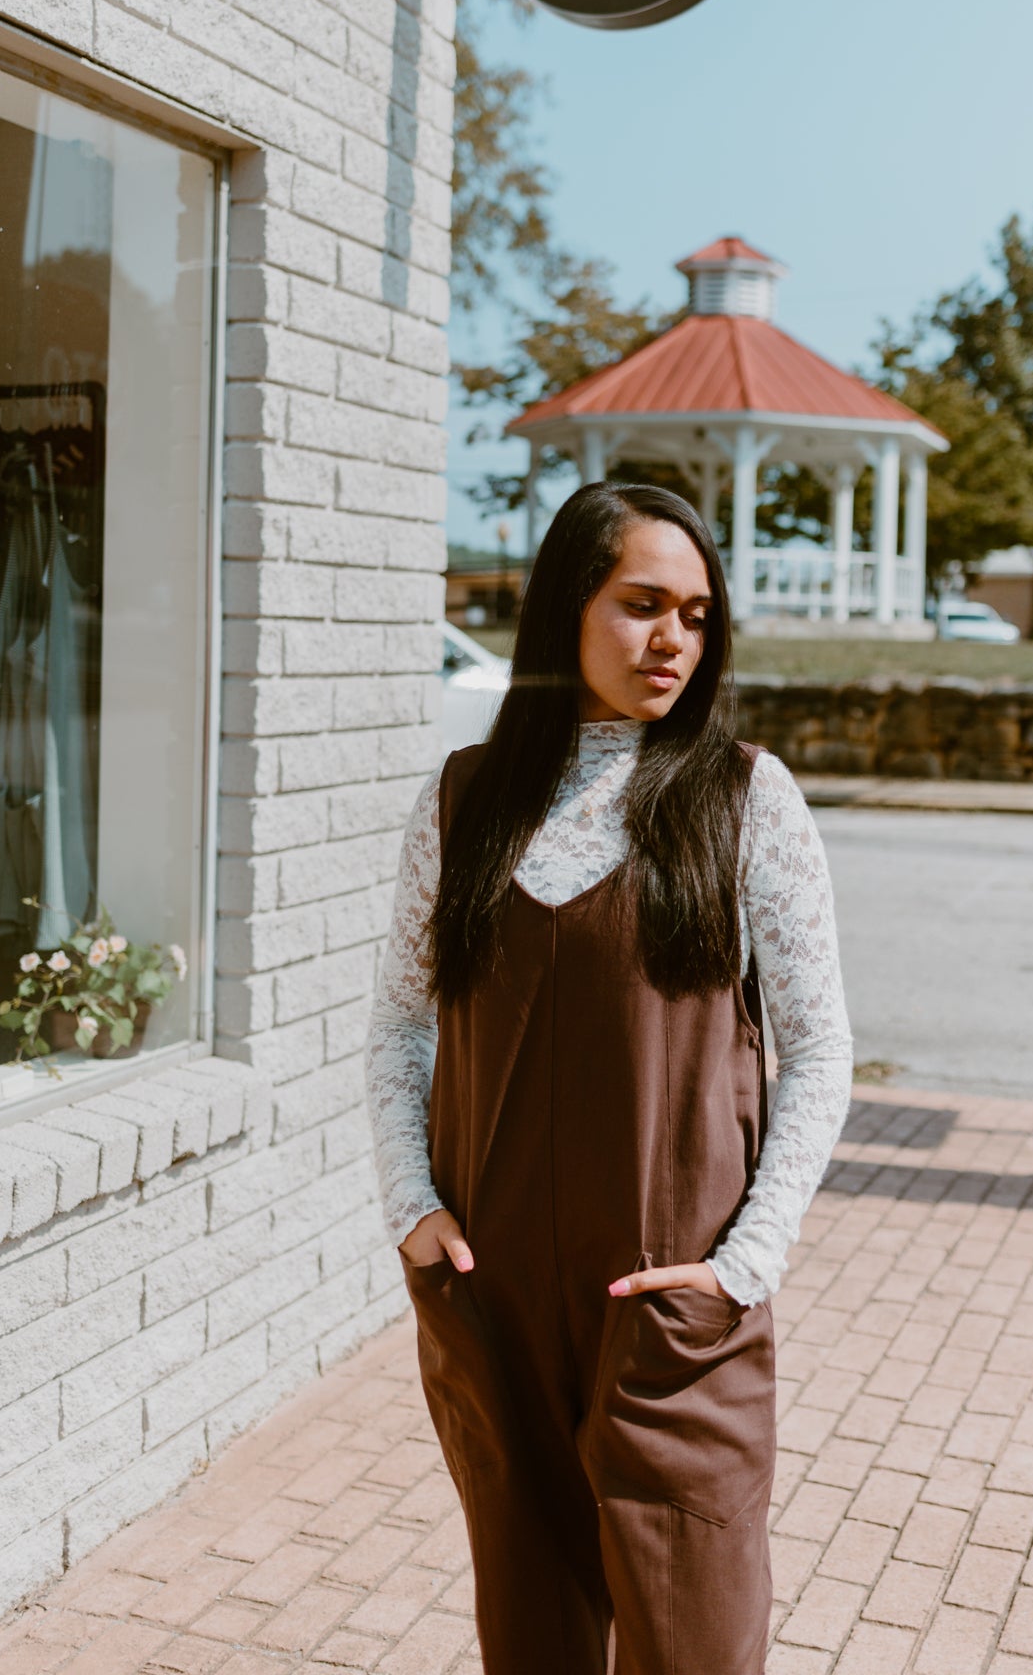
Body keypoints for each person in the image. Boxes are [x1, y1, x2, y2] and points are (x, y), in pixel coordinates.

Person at [365, 482, 853, 1675]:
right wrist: (412, 1209)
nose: (673, 638)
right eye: (641, 604)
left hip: (673, 1310)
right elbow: (396, 1022)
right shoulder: (464, 799)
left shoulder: (745, 798)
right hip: (497, 1301)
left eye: (694, 612)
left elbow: (822, 1045)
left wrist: (743, 1264)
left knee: (697, 1641)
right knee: (529, 1635)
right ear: (563, 609)